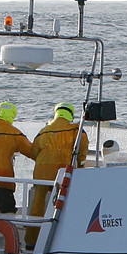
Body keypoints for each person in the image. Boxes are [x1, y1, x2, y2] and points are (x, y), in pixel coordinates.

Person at [27, 101, 88, 246]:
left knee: (37, 206)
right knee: (64, 205)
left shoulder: (44, 131)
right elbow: (81, 151)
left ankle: (31, 241)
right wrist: (81, 164)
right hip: (62, 171)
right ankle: (63, 239)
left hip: (41, 171)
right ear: (70, 114)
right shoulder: (75, 130)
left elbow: (34, 151)